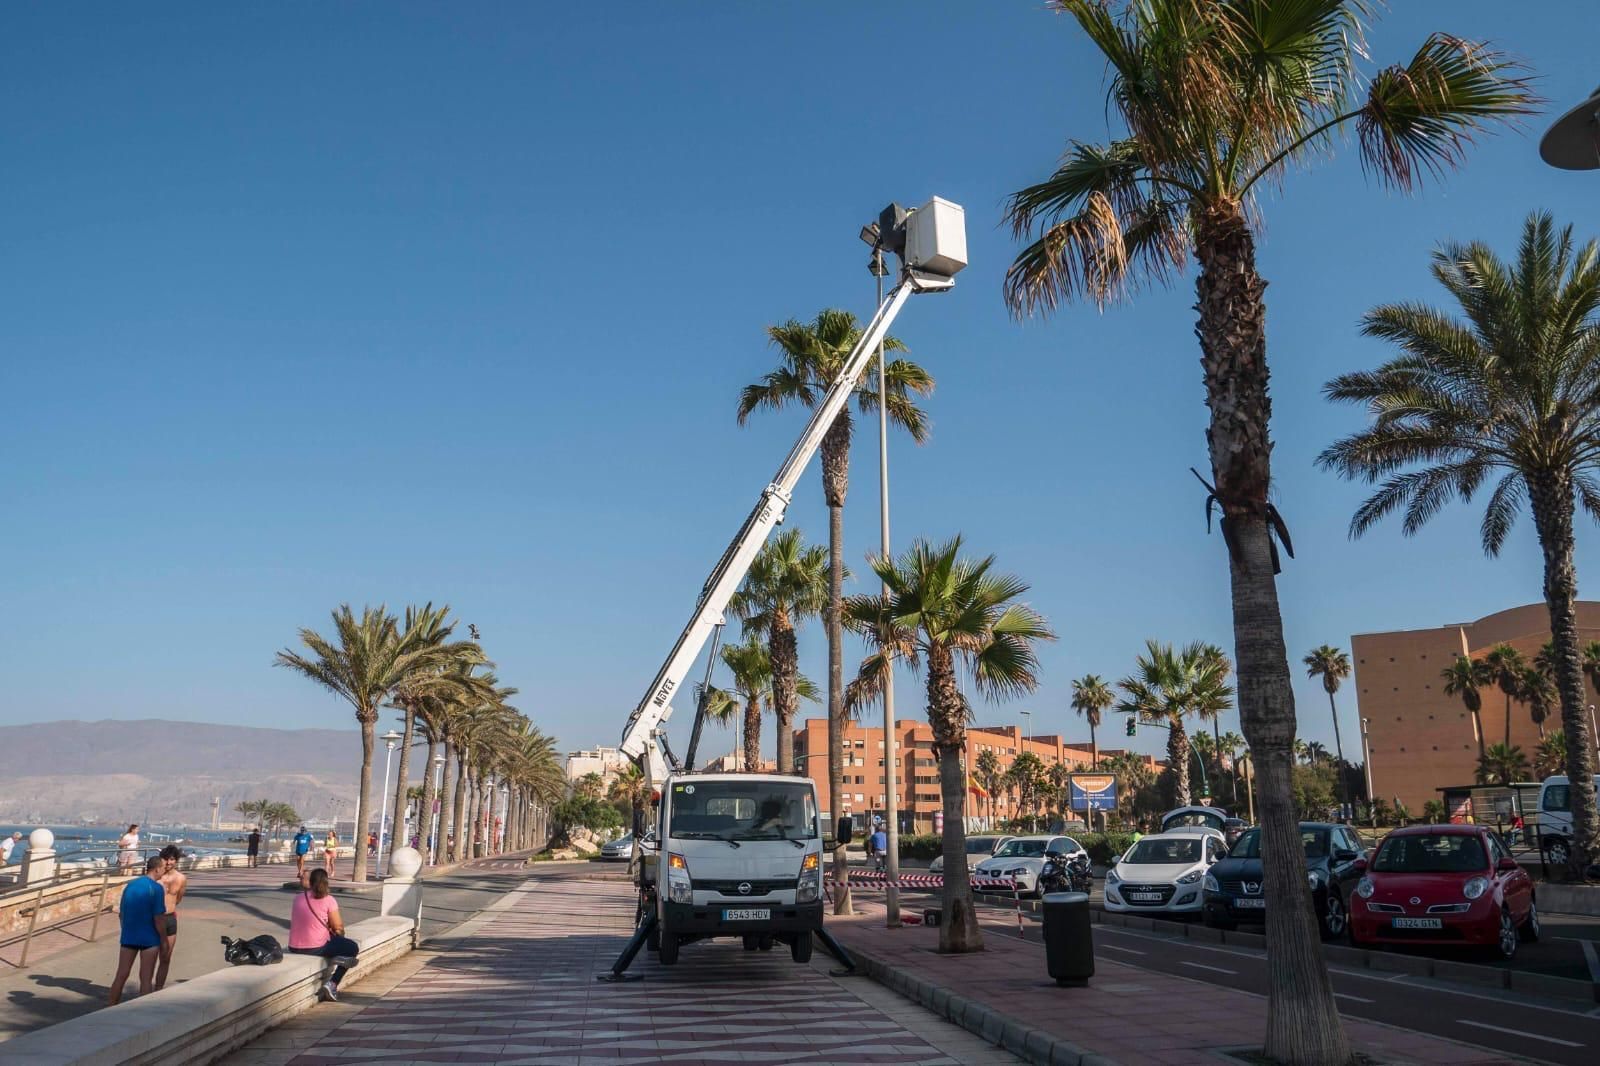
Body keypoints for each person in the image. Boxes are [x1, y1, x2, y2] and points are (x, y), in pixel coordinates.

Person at [289, 868, 359, 1002]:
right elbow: (338, 926)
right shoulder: (329, 900)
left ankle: (338, 957)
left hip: (294, 946)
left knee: (333, 942)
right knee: (352, 948)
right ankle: (332, 983)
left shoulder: (298, 898)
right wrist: (340, 937)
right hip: (316, 947)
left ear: (311, 881)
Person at [109, 855, 166, 1004]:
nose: (164, 871)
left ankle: (110, 1006)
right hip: (149, 939)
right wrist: (164, 939)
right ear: (157, 868)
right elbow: (158, 918)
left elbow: (121, 914)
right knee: (146, 978)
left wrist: (126, 930)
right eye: (163, 868)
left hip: (129, 937)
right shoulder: (157, 889)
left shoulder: (130, 885)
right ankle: (143, 1011)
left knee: (121, 974)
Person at [153, 845, 187, 991]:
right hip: (154, 919)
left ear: (176, 860)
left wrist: (170, 907)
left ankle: (158, 989)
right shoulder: (156, 877)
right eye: (166, 859)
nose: (168, 863)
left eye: (172, 859)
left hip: (170, 919)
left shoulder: (181, 878)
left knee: (165, 957)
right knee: (150, 956)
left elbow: (178, 898)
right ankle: (146, 989)